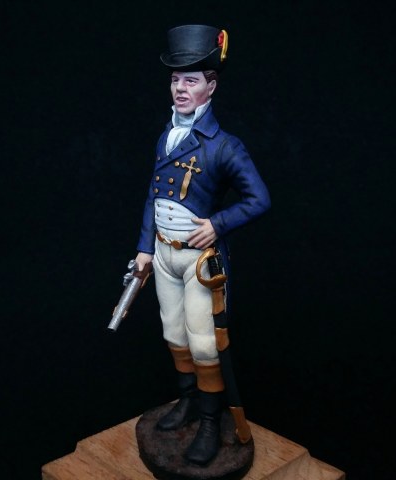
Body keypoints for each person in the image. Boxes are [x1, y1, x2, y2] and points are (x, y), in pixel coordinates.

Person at [134, 24, 271, 466]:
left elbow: (259, 199)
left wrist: (217, 223)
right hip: (164, 253)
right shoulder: (166, 136)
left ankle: (211, 422)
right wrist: (144, 248)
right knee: (173, 333)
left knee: (204, 344)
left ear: (210, 86)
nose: (180, 88)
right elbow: (154, 197)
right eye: (175, 79)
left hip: (199, 262)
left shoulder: (224, 146)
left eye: (190, 80)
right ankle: (188, 401)